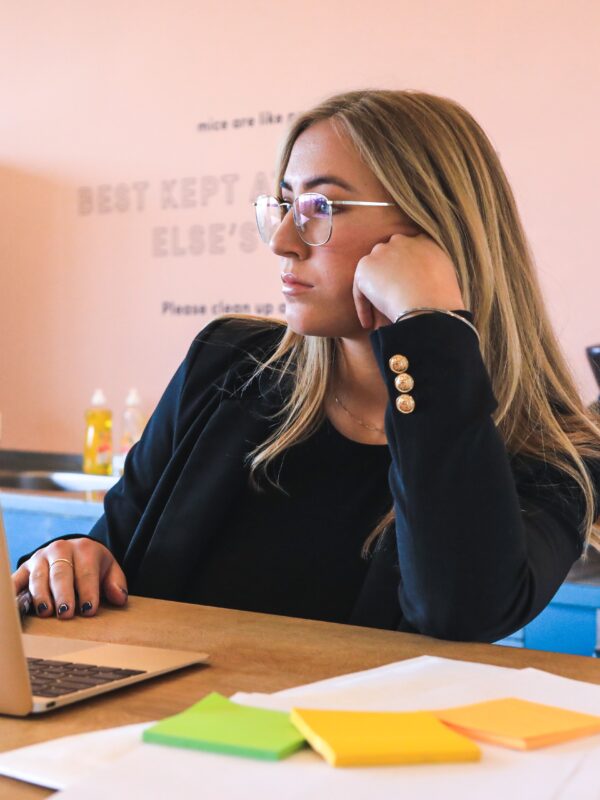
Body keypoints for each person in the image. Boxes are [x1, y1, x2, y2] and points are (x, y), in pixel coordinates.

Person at [12, 89, 600, 642]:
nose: (284, 240)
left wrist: (430, 329)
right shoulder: (226, 366)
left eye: (322, 205)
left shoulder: (553, 456)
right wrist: (69, 561)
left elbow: (462, 611)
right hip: (148, 741)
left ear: (434, 229)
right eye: (286, 204)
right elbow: (108, 552)